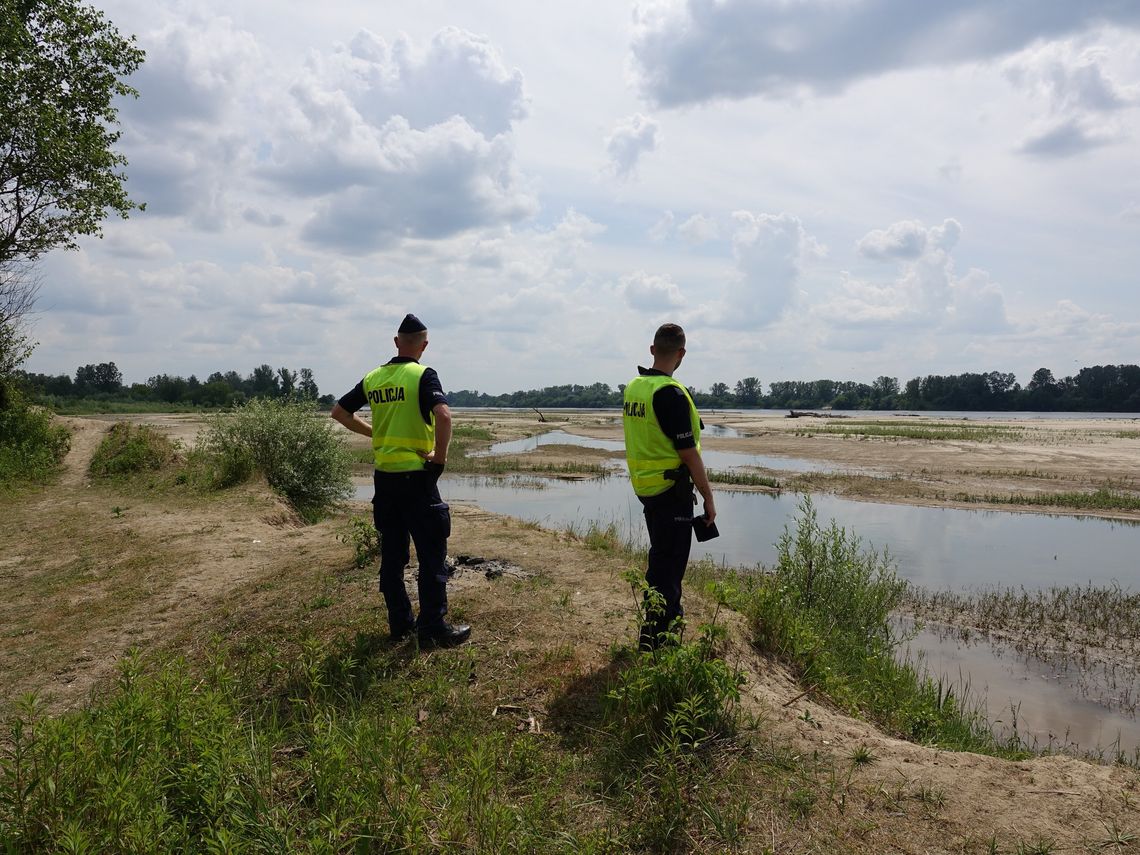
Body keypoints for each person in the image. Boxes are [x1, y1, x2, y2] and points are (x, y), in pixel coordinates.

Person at [331, 313, 471, 647]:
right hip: (417, 480)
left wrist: (375, 433)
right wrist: (439, 459)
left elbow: (339, 412)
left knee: (393, 556)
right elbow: (444, 414)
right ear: (424, 345)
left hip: (385, 481)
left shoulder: (374, 378)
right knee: (432, 554)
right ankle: (433, 629)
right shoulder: (423, 375)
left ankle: (400, 623)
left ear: (396, 343)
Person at [622, 323, 716, 650]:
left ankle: (653, 633)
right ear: (682, 354)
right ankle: (660, 645)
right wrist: (708, 498)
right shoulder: (670, 394)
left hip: (645, 488)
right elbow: (688, 453)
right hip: (670, 492)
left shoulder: (635, 387)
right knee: (669, 570)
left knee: (660, 560)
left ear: (652, 350)